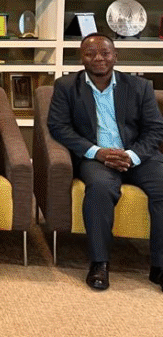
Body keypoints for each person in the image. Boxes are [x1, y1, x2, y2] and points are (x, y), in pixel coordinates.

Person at [46, 33, 163, 291]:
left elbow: (155, 129)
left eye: (105, 53)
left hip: (138, 156)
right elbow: (59, 127)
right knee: (99, 189)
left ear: (115, 56)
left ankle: (159, 266)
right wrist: (97, 152)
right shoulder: (66, 86)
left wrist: (131, 156)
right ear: (81, 57)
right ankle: (99, 263)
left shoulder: (140, 87)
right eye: (90, 53)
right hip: (96, 157)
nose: (98, 58)